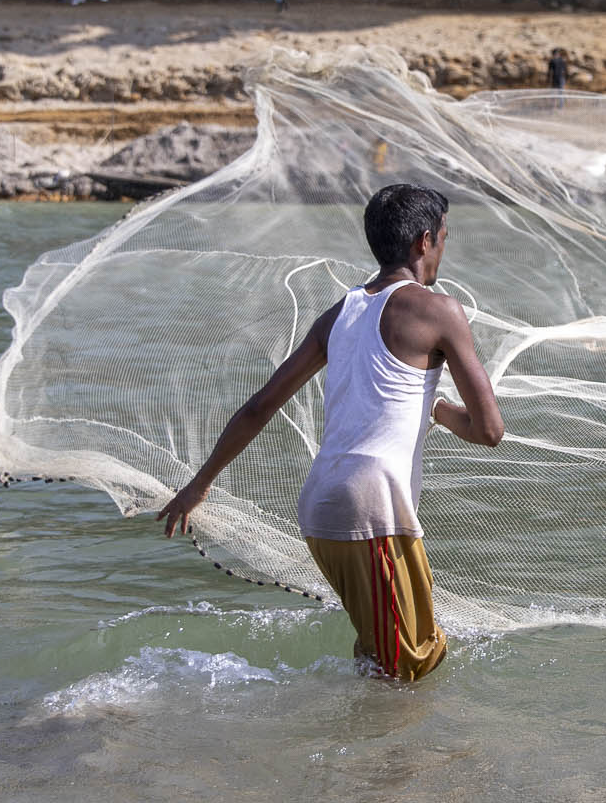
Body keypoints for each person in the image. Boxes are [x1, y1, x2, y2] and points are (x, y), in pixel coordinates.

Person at [158, 184, 504, 682]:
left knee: (380, 655)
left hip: (323, 508)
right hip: (373, 509)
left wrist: (200, 484)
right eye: (445, 238)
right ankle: (392, 759)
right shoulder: (438, 310)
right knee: (409, 670)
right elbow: (490, 430)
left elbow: (260, 406)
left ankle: (353, 750)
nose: (443, 250)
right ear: (423, 241)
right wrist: (441, 410)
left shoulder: (341, 313)